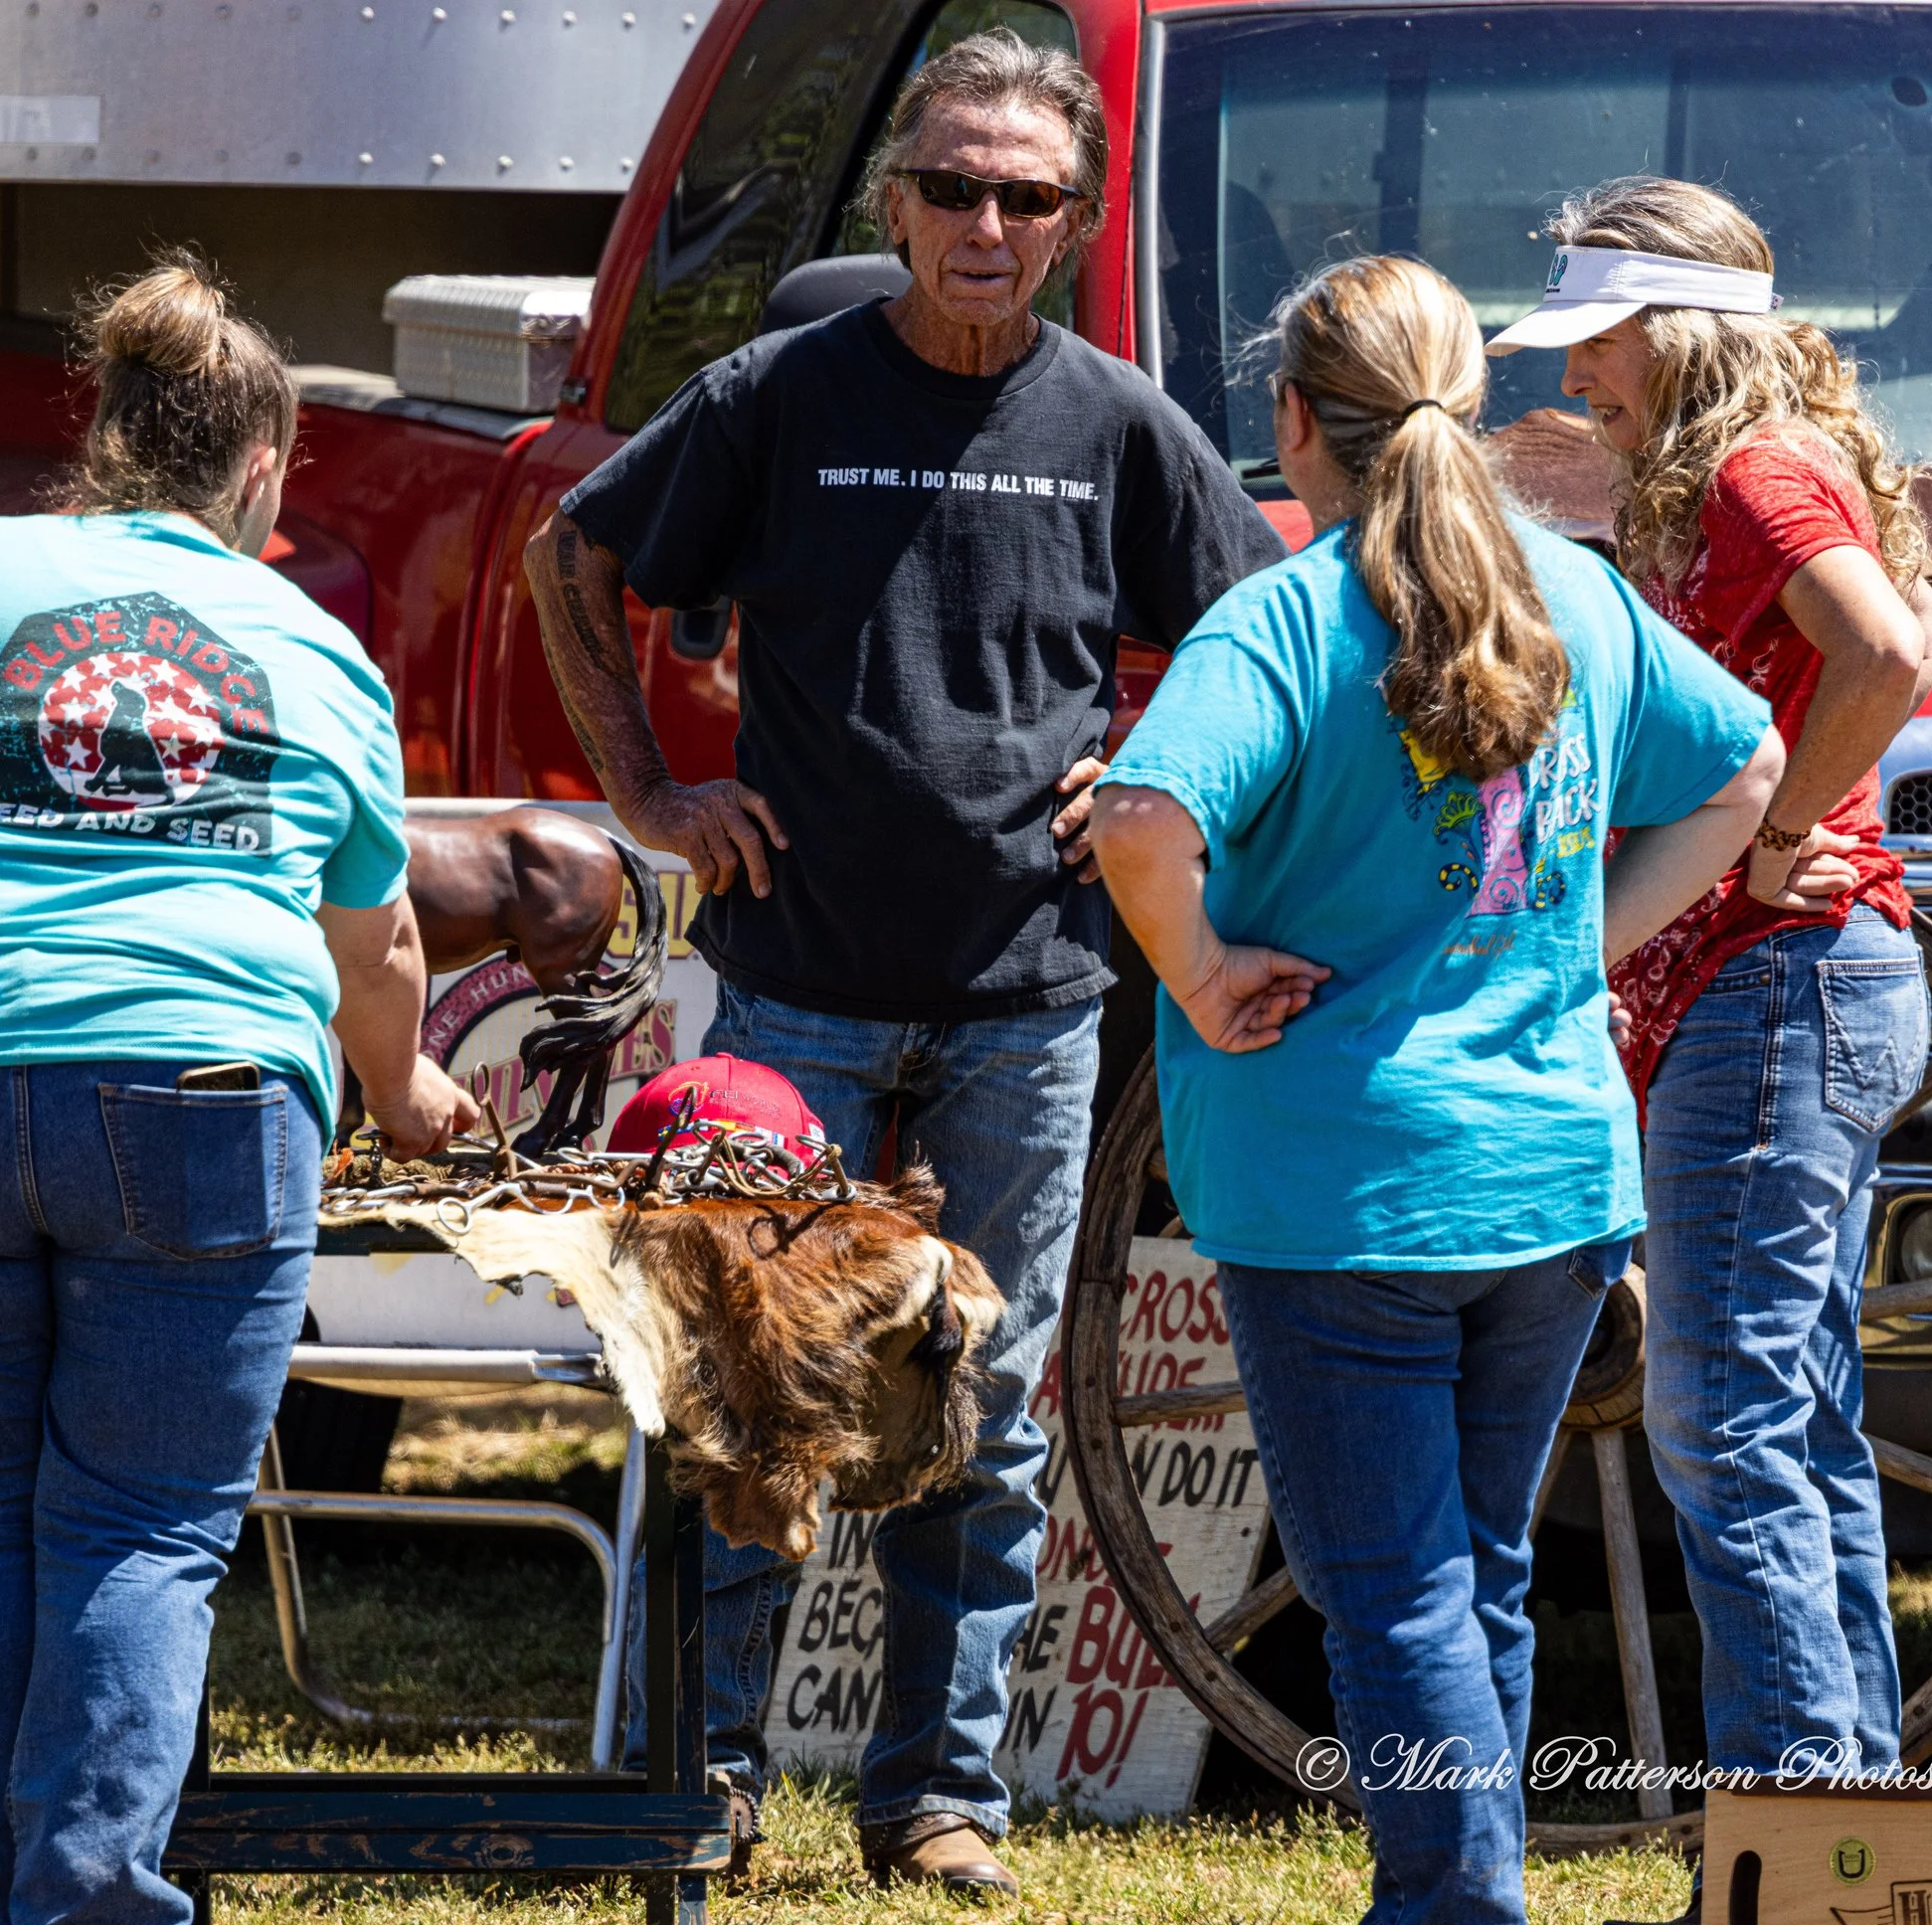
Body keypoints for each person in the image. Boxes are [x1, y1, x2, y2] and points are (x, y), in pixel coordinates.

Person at [523, 27, 1285, 1896]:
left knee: (987, 1404)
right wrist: (650, 789)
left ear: (1076, 224)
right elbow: (569, 553)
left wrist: (1168, 752)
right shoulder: (783, 392)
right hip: (791, 994)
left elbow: (1271, 620)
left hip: (1029, 1001)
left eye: (1025, 197)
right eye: (951, 186)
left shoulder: (1114, 422)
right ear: (897, 200)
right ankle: (699, 1783)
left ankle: (934, 1800)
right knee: (740, 1398)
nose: (983, 223)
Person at [0, 257, 476, 1925]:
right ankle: (87, 1900)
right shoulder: (313, 646)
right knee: (142, 1533)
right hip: (203, 1099)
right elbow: (372, 952)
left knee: (0, 1522)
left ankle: (35, 1898)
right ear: (265, 471)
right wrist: (413, 1093)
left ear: (100, 436)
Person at [1093, 254, 1783, 1925]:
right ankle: (1467, 1887)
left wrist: (1196, 976)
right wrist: (1592, 946)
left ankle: (1453, 1905)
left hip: (1341, 1189)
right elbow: (1753, 763)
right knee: (1473, 1576)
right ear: (1476, 412)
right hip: (1548, 1182)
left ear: (1287, 425)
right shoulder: (1578, 596)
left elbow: (1136, 823)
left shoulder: (1281, 616)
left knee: (1394, 1594)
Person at [1488, 176, 1932, 1787]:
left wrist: (1783, 838)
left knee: (1720, 1426)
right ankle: (1850, 1820)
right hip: (1808, 986)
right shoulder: (1774, 465)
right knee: (1793, 1419)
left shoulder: (1751, 477)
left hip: (1779, 978)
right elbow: (1926, 629)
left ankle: (1788, 1823)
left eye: (1597, 343)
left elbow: (1888, 650)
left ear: (1673, 334)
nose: (1573, 382)